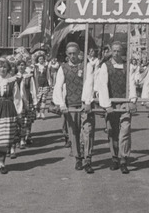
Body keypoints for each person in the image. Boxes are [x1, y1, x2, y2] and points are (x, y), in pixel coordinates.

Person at [53, 43, 95, 173]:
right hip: (71, 104)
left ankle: (88, 158)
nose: (72, 56)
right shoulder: (63, 68)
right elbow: (58, 86)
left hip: (84, 104)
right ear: (67, 54)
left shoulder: (86, 66)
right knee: (74, 132)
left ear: (79, 53)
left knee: (87, 131)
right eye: (70, 54)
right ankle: (78, 157)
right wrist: (61, 104)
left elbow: (90, 83)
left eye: (74, 53)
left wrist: (87, 101)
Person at [96, 42, 137, 174]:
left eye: (119, 51)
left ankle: (124, 158)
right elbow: (102, 85)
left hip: (124, 102)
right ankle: (114, 158)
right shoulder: (105, 66)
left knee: (125, 130)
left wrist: (132, 100)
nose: (116, 53)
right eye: (114, 51)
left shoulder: (128, 66)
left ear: (122, 52)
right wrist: (107, 105)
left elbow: (132, 83)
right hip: (111, 103)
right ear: (111, 52)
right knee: (112, 131)